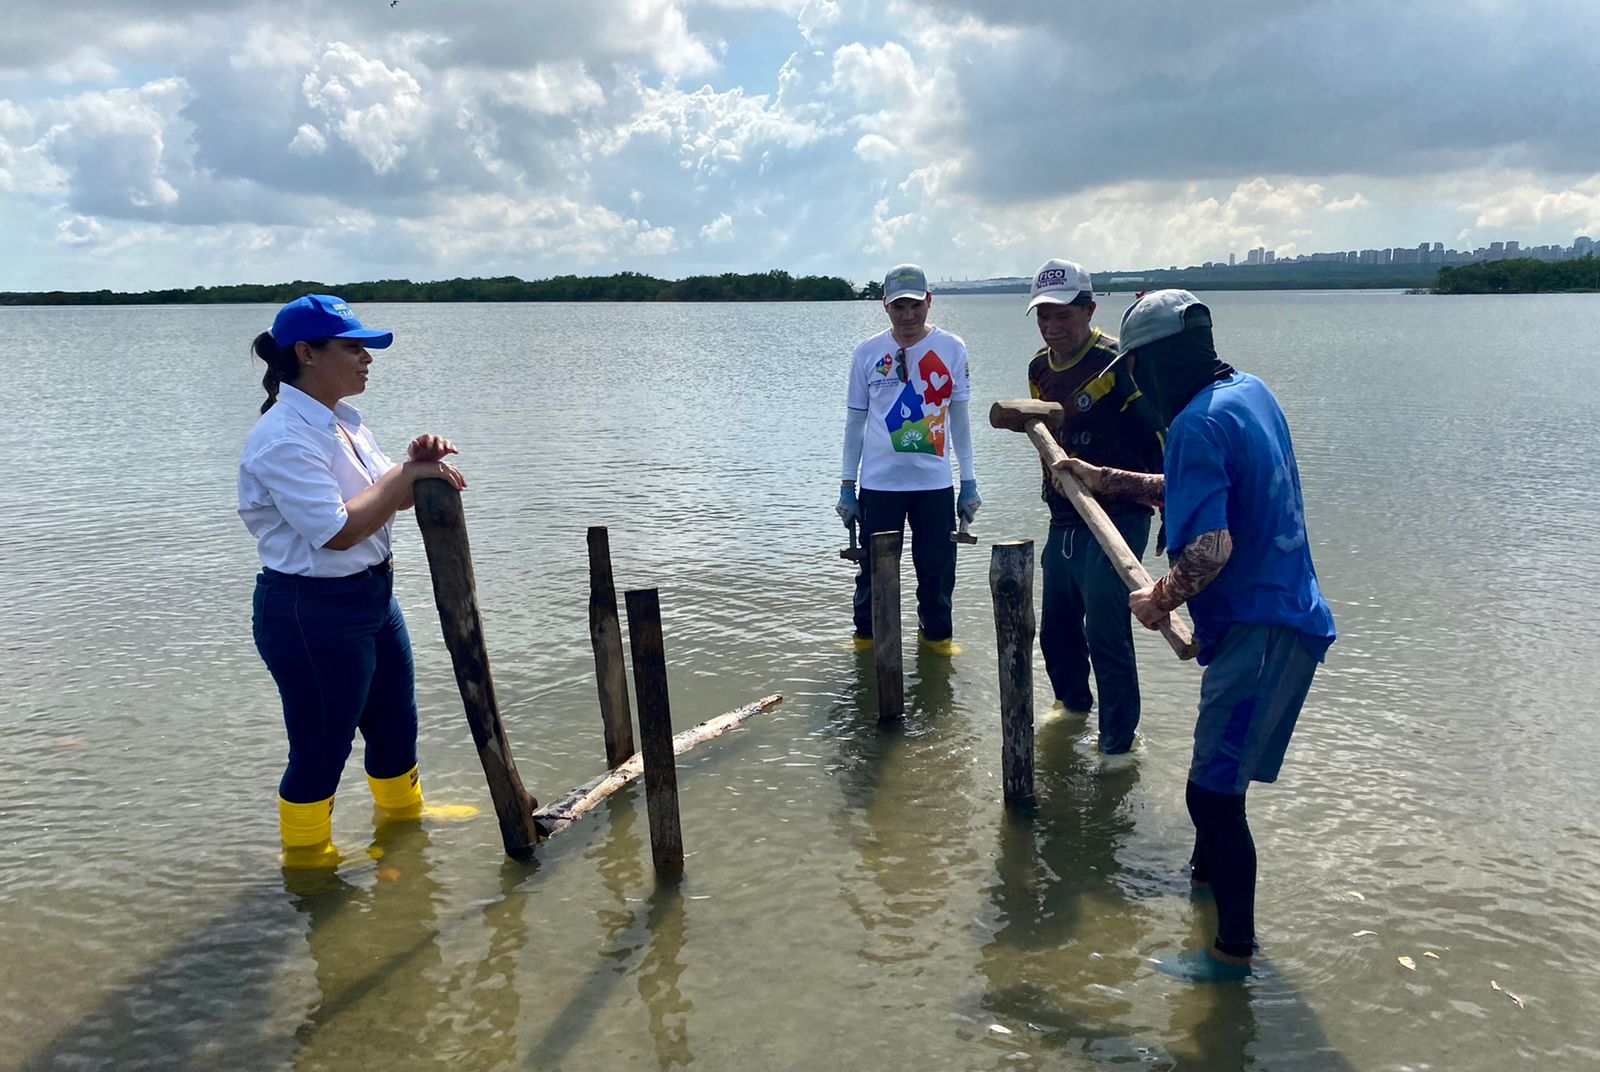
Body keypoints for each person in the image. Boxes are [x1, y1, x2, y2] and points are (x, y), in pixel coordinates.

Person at [1056, 290, 1336, 979]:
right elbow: (1197, 485)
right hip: (1279, 618)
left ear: (1152, 366)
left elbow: (1210, 548)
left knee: (1210, 795)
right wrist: (1106, 480)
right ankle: (1202, 891)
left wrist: (1159, 596)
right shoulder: (1247, 393)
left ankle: (1231, 954)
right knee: (1221, 784)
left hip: (1260, 630)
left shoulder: (1194, 426)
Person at [239, 294, 468, 868]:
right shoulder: (284, 436)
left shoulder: (341, 423)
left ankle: (404, 830)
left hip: (371, 598)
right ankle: (309, 862)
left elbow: (379, 500)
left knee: (396, 726)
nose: (367, 358)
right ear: (306, 353)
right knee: (321, 748)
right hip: (310, 611)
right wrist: (405, 475)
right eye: (353, 347)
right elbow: (337, 532)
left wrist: (413, 466)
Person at [1022, 259, 1165, 754]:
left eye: (1064, 315)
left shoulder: (1119, 362)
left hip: (1119, 515)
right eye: (1044, 317)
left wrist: (1172, 504)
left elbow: (1162, 433)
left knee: (1106, 629)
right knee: (1057, 629)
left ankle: (1118, 744)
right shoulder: (1039, 367)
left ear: (1089, 309)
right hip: (1064, 518)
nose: (1053, 327)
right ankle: (1072, 709)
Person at [837, 264, 979, 654]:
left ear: (929, 302)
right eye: (899, 306)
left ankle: (936, 642)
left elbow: (960, 420)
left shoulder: (952, 348)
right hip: (880, 486)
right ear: (885, 306)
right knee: (872, 574)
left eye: (916, 305)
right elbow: (855, 424)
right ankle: (866, 640)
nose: (908, 315)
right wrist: (847, 486)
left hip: (934, 485)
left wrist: (969, 482)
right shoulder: (867, 353)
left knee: (937, 573)